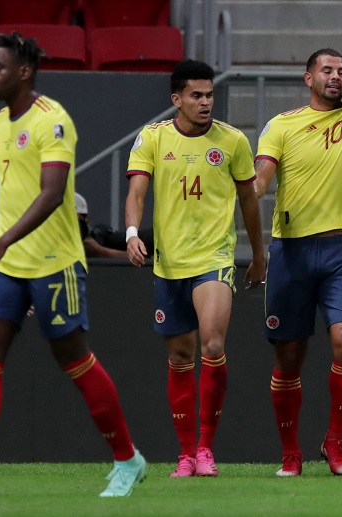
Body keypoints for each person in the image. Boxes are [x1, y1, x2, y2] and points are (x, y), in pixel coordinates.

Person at [0, 32, 147, 497]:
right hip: (8, 264)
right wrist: (3, 249)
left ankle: (128, 459)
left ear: (24, 72)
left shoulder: (52, 120)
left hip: (54, 261)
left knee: (72, 357)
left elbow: (52, 193)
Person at [125, 59, 266, 477]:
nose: (206, 103)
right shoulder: (151, 138)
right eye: (197, 96)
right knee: (181, 357)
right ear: (177, 99)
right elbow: (136, 192)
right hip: (170, 263)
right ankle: (186, 453)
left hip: (214, 259)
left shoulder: (233, 141)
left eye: (210, 95)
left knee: (213, 346)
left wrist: (258, 255)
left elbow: (249, 201)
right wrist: (132, 232)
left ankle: (206, 448)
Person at [253, 48, 342, 477]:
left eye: (341, 72)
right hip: (290, 253)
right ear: (307, 77)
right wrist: (248, 190)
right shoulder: (280, 125)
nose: (335, 77)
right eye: (326, 71)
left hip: (341, 252)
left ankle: (334, 441)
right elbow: (261, 178)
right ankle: (290, 453)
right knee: (288, 359)